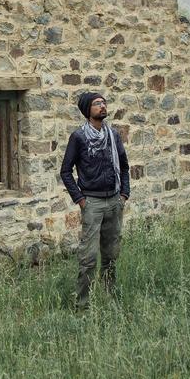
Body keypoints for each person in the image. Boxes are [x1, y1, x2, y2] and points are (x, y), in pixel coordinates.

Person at [59, 91, 129, 308]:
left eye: (103, 103)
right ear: (87, 110)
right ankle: (83, 305)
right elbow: (66, 171)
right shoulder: (78, 137)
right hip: (92, 203)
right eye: (97, 104)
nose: (102, 106)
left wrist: (124, 194)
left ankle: (109, 300)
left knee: (111, 256)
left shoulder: (114, 135)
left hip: (114, 201)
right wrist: (80, 199)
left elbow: (124, 165)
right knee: (88, 258)